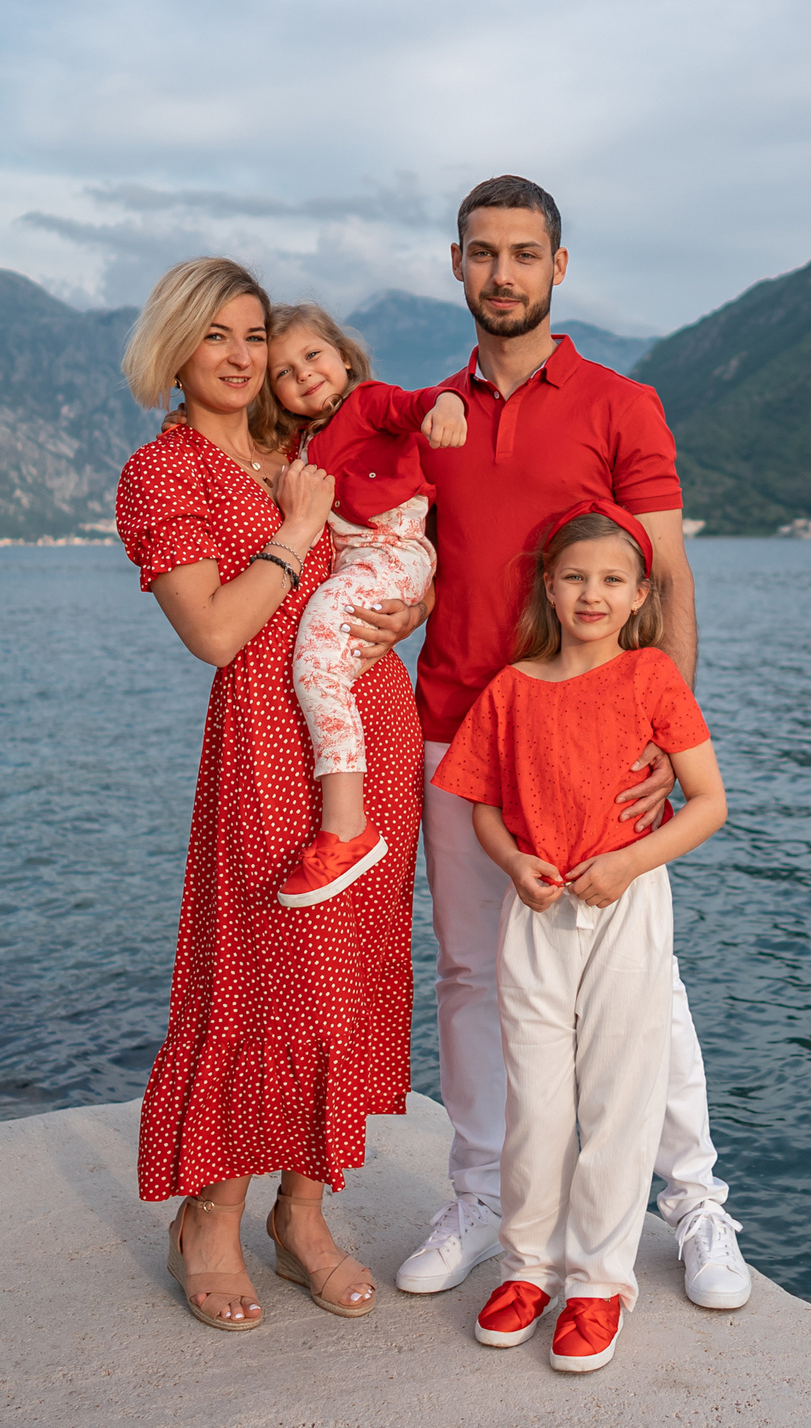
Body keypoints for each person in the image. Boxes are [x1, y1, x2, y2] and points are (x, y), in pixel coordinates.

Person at [388, 175, 754, 1311]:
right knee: (468, 977)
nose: (503, 273)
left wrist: (662, 729)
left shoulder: (620, 404)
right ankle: (484, 1198)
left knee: (645, 988)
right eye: (483, 253)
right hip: (456, 731)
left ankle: (691, 1202)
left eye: (525, 253)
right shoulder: (428, 415)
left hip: (597, 748)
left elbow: (668, 576)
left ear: (558, 268)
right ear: (456, 266)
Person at [114, 257, 421, 1333]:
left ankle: (302, 1215)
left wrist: (401, 611)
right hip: (263, 746)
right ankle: (209, 1216)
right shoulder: (166, 474)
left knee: (343, 978)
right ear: (177, 350)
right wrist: (293, 533)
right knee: (261, 974)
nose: (245, 357)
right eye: (219, 338)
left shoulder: (305, 443)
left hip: (373, 733)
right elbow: (212, 631)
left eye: (256, 335)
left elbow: (392, 548)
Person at [431, 503, 729, 1373]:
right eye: (575, 577)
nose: (591, 593)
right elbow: (481, 805)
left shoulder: (651, 679)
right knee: (538, 1100)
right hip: (537, 908)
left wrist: (629, 862)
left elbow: (708, 803)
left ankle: (599, 1281)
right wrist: (517, 863)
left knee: (619, 1093)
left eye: (611, 579)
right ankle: (528, 1266)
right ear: (548, 588)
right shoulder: (513, 687)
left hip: (625, 905)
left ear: (640, 594)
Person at [257, 301, 466, 908]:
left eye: (313, 356)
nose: (302, 374)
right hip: (363, 561)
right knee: (325, 667)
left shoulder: (367, 402)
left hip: (396, 548)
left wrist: (447, 405)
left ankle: (347, 827)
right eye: (284, 373)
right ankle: (348, 809)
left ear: (344, 358)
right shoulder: (304, 442)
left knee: (318, 648)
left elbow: (419, 402)